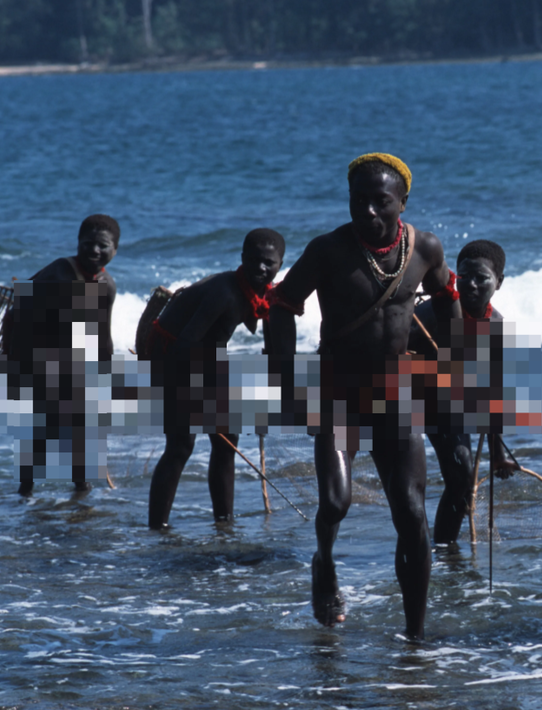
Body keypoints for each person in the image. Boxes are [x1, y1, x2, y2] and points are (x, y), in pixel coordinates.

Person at [266, 153, 460, 640]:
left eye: (382, 202)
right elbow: (282, 307)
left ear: (403, 203)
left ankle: (416, 638)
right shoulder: (328, 251)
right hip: (338, 391)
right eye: (360, 201)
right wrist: (286, 377)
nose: (370, 212)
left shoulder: (426, 249)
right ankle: (324, 563)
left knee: (412, 513)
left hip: (395, 392)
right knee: (335, 502)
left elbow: (448, 300)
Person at [146, 228, 285, 529]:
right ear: (242, 259)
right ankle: (157, 528)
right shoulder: (224, 294)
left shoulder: (261, 293)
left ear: (280, 265)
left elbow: (273, 345)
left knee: (226, 441)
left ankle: (224, 523)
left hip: (207, 360)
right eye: (255, 261)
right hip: (175, 360)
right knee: (181, 445)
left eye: (269, 263)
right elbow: (185, 344)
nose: (262, 268)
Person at [409, 239, 517, 545]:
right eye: (463, 276)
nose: (470, 285)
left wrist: (497, 455)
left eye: (481, 278)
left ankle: (444, 552)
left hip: (447, 405)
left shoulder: (495, 327)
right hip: (405, 395)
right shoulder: (434, 311)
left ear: (499, 283)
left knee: (462, 481)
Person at [10, 214, 119, 497]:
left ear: (115, 250)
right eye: (88, 244)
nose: (94, 250)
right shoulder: (60, 273)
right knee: (44, 428)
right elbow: (15, 313)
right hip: (40, 357)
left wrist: (106, 374)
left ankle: (81, 489)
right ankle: (25, 489)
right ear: (77, 244)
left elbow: (102, 335)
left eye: (102, 246)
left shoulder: (107, 285)